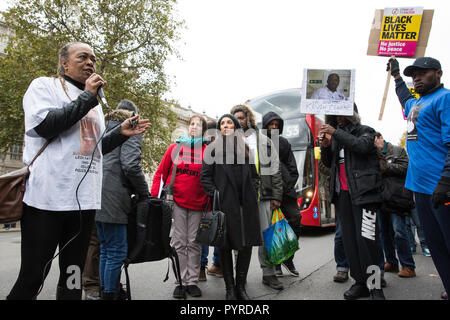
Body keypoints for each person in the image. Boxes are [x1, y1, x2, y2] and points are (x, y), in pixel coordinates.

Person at [7, 42, 150, 300]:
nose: (90, 63)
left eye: (93, 59)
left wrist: (119, 135)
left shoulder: (94, 104)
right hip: (46, 201)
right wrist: (87, 97)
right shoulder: (44, 86)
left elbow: (92, 149)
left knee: (72, 276)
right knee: (32, 276)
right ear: (64, 63)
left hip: (83, 204)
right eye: (82, 57)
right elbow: (45, 126)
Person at [387, 57, 450, 299]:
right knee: (435, 245)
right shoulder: (417, 104)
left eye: (423, 73)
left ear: (439, 73)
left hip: (441, 185)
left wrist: (446, 179)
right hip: (420, 188)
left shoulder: (444, 98)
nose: (417, 77)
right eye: (414, 74)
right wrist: (396, 77)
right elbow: (405, 98)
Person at [319, 104, 385, 300]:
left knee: (367, 243)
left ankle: (375, 287)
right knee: (350, 243)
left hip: (365, 195)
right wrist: (325, 148)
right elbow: (328, 163)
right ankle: (360, 283)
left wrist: (336, 133)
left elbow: (361, 147)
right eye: (335, 115)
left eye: (343, 113)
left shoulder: (366, 131)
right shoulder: (336, 137)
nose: (338, 118)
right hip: (343, 197)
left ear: (353, 114)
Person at [200, 114, 261, 300]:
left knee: (246, 246)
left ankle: (241, 287)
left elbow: (255, 176)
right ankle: (230, 289)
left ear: (235, 127)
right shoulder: (212, 149)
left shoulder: (245, 148)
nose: (226, 125)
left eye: (229, 123)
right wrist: (217, 194)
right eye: (223, 123)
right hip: (225, 205)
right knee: (225, 246)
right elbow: (205, 177)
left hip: (246, 206)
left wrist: (253, 190)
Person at [95, 99, 149, 300]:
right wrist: (145, 192)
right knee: (117, 250)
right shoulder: (130, 128)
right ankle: (111, 294)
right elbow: (131, 165)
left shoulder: (102, 127)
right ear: (134, 115)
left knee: (105, 248)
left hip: (96, 193)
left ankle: (106, 290)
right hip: (114, 195)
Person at [151, 115, 209, 299]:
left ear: (203, 130)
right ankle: (180, 282)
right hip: (175, 202)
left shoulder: (208, 151)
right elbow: (160, 173)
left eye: (198, 125)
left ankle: (192, 282)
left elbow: (211, 177)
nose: (194, 127)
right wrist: (154, 198)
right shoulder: (175, 148)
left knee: (194, 242)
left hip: (199, 203)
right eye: (192, 124)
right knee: (178, 242)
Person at [230, 104, 284, 291]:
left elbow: (275, 169)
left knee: (265, 236)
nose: (239, 120)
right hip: (240, 198)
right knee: (239, 238)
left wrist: (277, 196)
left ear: (248, 119)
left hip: (263, 195)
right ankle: (240, 277)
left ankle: (268, 273)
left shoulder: (264, 140)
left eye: (242, 117)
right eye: (235, 118)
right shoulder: (229, 141)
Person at [262, 111, 302, 277]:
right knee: (273, 228)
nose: (274, 127)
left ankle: (288, 258)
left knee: (295, 219)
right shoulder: (259, 142)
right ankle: (276, 262)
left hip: (285, 191)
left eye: (277, 125)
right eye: (271, 124)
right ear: (265, 125)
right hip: (267, 192)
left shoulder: (284, 143)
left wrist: (286, 186)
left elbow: (293, 170)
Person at [374, 132, 416, 278]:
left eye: (375, 140)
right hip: (381, 198)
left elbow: (405, 168)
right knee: (384, 233)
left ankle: (408, 265)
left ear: (380, 138)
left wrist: (387, 167)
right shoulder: (373, 154)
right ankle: (391, 262)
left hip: (397, 198)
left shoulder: (398, 150)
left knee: (399, 231)